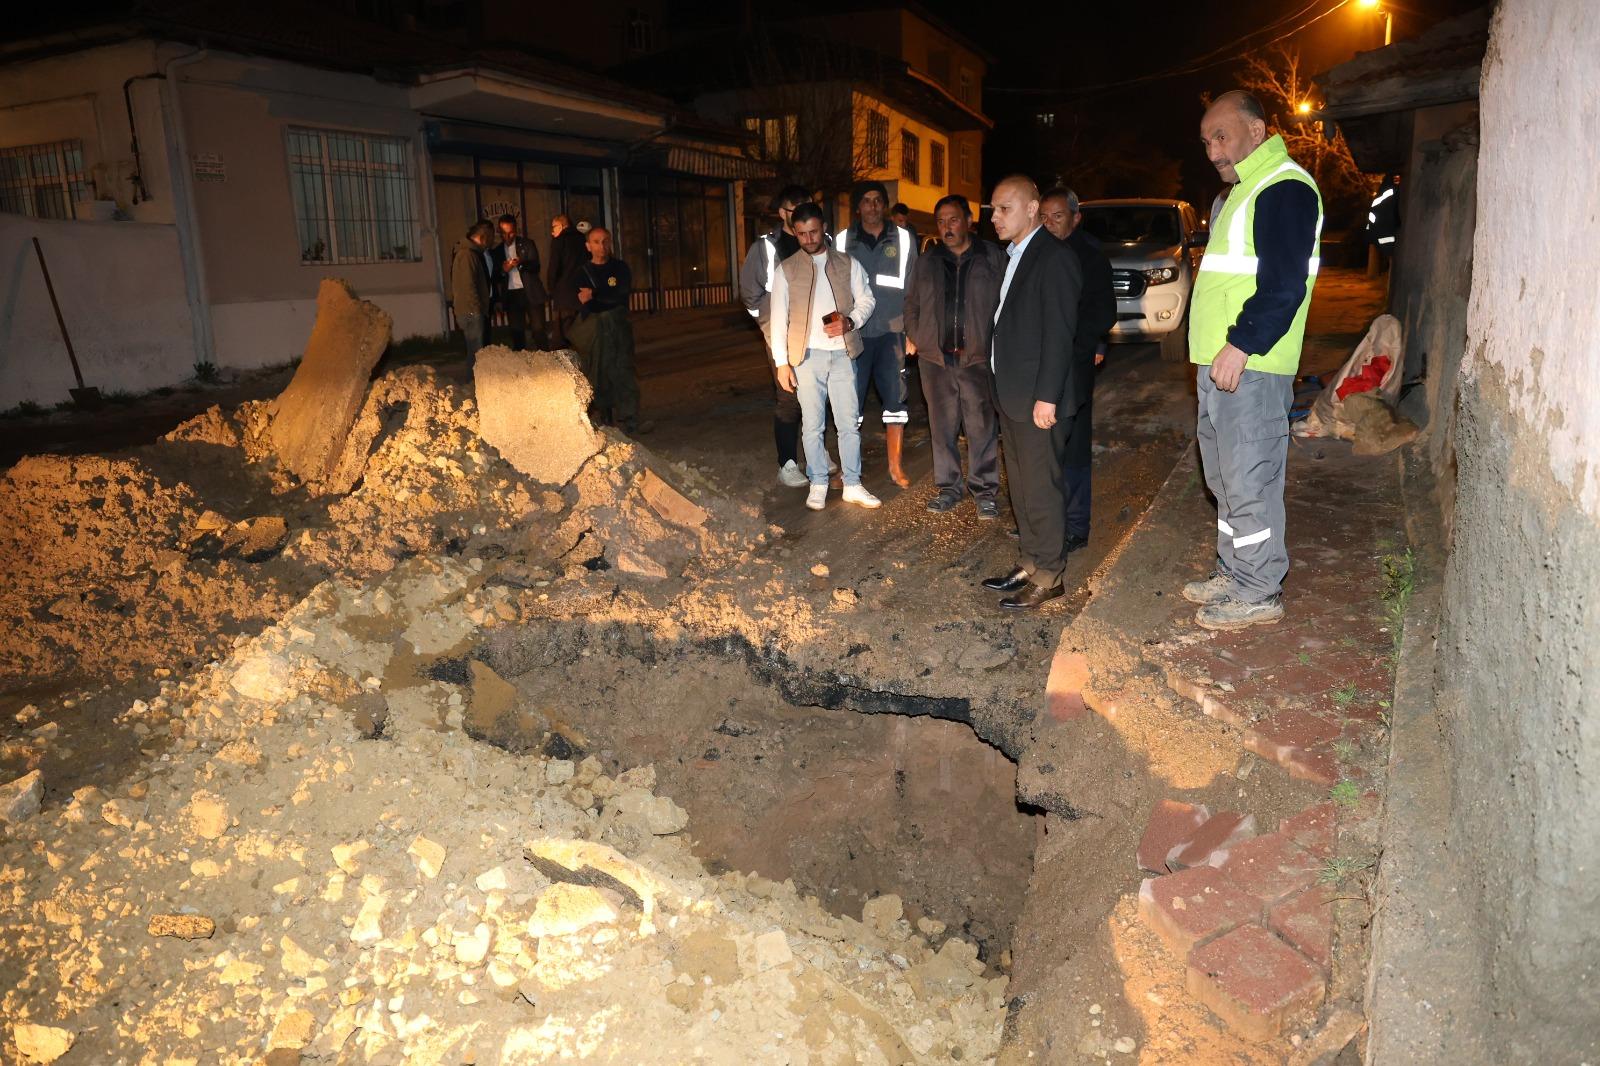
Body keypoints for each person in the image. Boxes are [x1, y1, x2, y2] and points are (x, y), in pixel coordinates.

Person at [1184, 89, 1323, 631]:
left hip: (1252, 365)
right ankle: (1234, 571)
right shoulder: (1241, 192)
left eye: (1222, 136)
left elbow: (1284, 285)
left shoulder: (1283, 188)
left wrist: (1242, 343)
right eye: (1206, 141)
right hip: (1220, 365)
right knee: (1224, 480)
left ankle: (1259, 589)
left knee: (1251, 481)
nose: (1214, 150)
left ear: (1258, 131)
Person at [981, 175, 1082, 611]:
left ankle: (1051, 574)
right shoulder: (1017, 255)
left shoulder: (1053, 257)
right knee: (1021, 485)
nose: (995, 217)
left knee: (1042, 488)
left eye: (1004, 208)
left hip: (1040, 398)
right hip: (1015, 394)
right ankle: (1031, 560)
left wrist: (1048, 397)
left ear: (1031, 208)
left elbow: (1059, 335)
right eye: (992, 210)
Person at [768, 202, 881, 512]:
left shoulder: (847, 263)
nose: (808, 239)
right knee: (813, 425)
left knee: (848, 424)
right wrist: (782, 362)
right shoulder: (786, 270)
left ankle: (853, 484)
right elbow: (779, 319)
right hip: (805, 358)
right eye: (802, 233)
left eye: (814, 231)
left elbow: (867, 299)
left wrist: (850, 321)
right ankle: (817, 482)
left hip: (843, 354)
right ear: (795, 232)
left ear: (824, 228)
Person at [903, 193, 1005, 518]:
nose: (947, 227)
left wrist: (997, 345)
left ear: (969, 220)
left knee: (981, 427)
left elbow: (1008, 304)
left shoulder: (992, 257)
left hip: (977, 357)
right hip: (935, 360)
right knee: (942, 427)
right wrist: (918, 336)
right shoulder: (927, 261)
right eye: (941, 222)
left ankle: (985, 490)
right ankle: (949, 487)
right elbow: (912, 304)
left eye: (953, 220)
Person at [1041, 187, 1117, 551]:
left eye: (1057, 216)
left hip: (1073, 365)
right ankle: (1046, 521)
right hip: (1041, 367)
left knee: (1073, 448)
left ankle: (1075, 526)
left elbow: (1104, 313)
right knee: (1043, 446)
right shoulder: (1038, 253)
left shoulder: (1090, 256)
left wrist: (1079, 345)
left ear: (1075, 217)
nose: (1049, 223)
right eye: (1044, 216)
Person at [836, 181, 918, 488]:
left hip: (891, 332)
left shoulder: (905, 239)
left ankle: (895, 467)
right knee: (849, 402)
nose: (872, 206)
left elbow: (913, 289)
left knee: (895, 399)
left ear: (885, 205)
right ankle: (847, 469)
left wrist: (913, 331)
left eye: (877, 201)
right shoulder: (842, 240)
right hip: (854, 334)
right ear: (858, 207)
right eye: (866, 201)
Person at [741, 185, 814, 488]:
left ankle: (815, 455)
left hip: (818, 335)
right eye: (790, 207)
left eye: (803, 205)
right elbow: (750, 293)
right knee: (788, 399)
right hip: (783, 338)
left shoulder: (822, 240)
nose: (797, 212)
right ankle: (787, 463)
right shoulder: (766, 246)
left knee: (815, 398)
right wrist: (771, 329)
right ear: (780, 211)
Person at [559, 226, 642, 432]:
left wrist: (595, 294)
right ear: (588, 246)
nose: (601, 246)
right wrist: (600, 298)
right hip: (594, 331)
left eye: (605, 241)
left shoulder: (620, 268)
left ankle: (629, 416)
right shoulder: (581, 272)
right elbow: (581, 302)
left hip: (617, 328)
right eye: (596, 242)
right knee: (598, 370)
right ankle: (605, 413)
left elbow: (620, 296)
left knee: (623, 368)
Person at [495, 214, 548, 350]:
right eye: (504, 233)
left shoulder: (527, 243)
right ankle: (522, 363)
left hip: (530, 291)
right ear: (499, 232)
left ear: (516, 230)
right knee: (517, 332)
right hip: (512, 295)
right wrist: (503, 270)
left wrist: (520, 264)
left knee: (539, 329)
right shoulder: (497, 251)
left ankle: (547, 360)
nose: (508, 237)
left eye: (511, 232)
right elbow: (496, 276)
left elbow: (536, 266)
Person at [451, 220, 495, 361]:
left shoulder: (471, 254)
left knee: (476, 352)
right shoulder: (467, 255)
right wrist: (477, 310)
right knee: (476, 354)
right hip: (471, 311)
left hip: (472, 310)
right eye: (491, 239)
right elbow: (468, 286)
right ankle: (472, 382)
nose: (491, 243)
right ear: (483, 238)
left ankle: (474, 381)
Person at [547, 214, 587, 347]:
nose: (552, 231)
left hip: (563, 294)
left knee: (562, 334)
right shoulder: (583, 239)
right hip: (581, 292)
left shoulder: (559, 241)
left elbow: (554, 267)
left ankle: (567, 365)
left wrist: (552, 288)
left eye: (554, 227)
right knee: (579, 331)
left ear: (562, 225)